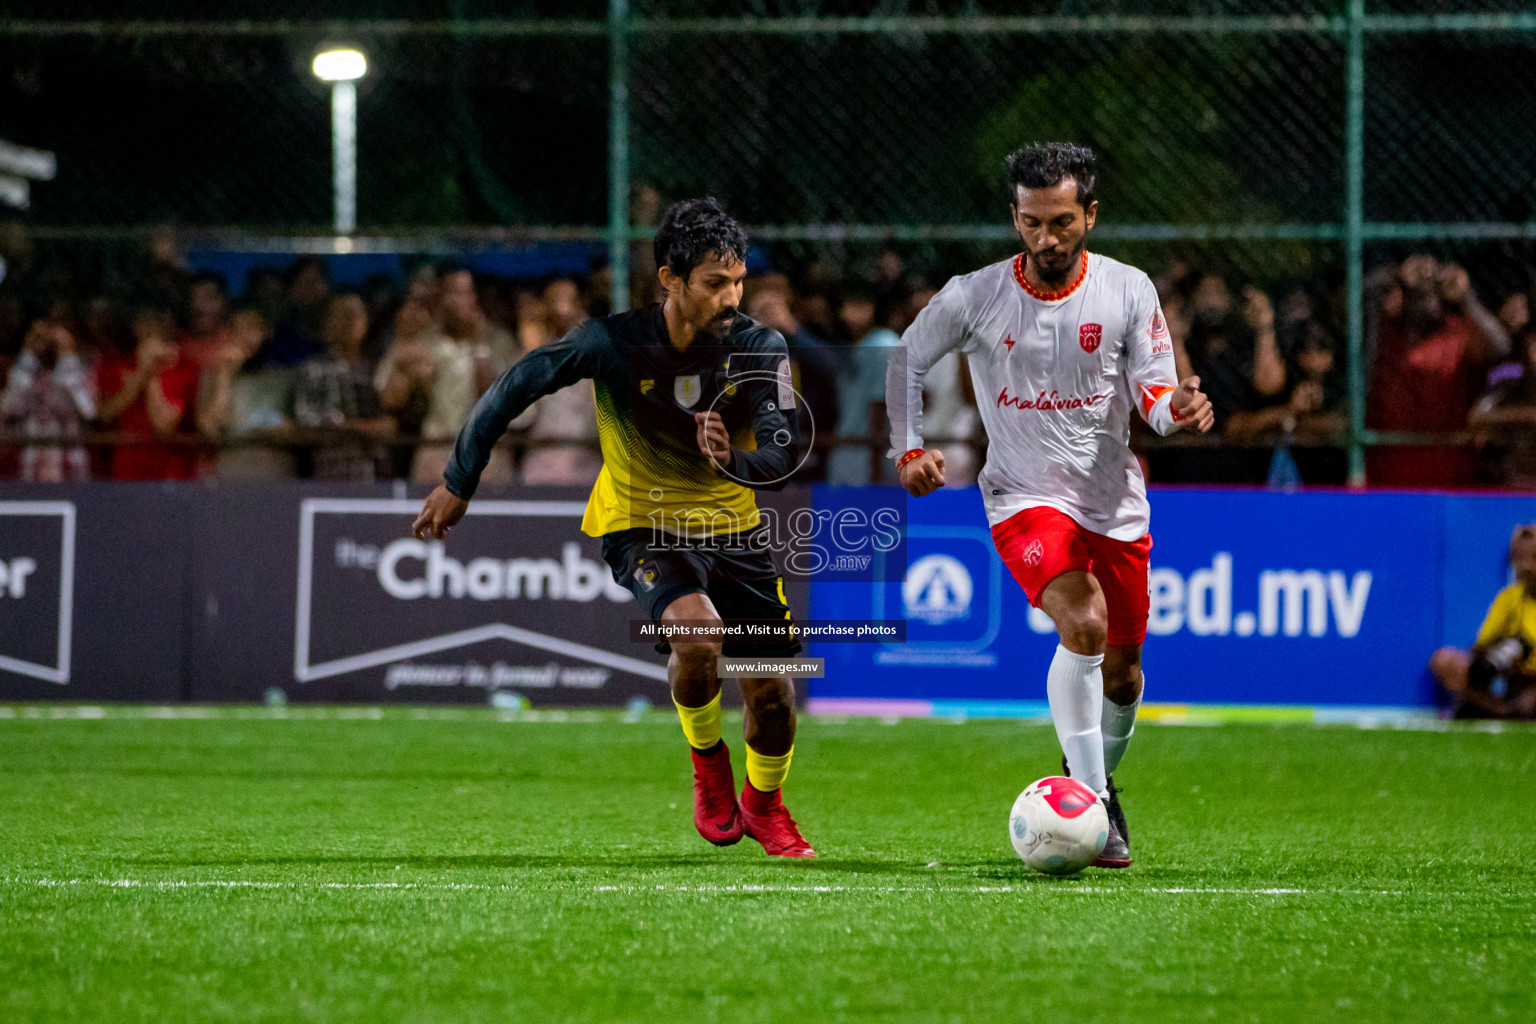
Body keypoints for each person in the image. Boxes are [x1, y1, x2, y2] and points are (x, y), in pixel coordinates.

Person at [412, 198, 815, 858]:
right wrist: (460, 481)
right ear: (670, 279)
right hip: (641, 523)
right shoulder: (613, 343)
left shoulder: (758, 346)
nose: (732, 297)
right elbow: (517, 384)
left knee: (771, 694)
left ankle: (766, 806)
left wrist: (734, 457)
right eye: (716, 283)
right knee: (698, 637)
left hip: (734, 533)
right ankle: (709, 765)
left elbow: (781, 445)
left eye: (738, 281)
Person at [887, 143, 1214, 868]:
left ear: (1090, 215)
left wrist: (1178, 412)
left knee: (1124, 674)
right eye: (1032, 223)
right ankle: (1095, 805)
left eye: (1062, 221)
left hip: (1114, 501)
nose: (1047, 238)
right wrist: (908, 448)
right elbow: (907, 356)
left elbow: (1155, 396)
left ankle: (1091, 779)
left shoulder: (1128, 290)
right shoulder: (975, 294)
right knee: (1084, 621)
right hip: (1023, 496)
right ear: (1015, 217)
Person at [1366, 255, 1509, 486]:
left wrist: (1466, 298)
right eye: (1419, 294)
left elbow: (1500, 346)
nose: (1427, 300)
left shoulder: (1458, 336)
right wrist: (1398, 275)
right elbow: (1367, 294)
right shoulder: (1387, 336)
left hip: (1451, 478)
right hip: (1388, 479)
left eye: (1434, 292)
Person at [375, 262, 519, 485]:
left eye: (466, 293)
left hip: (487, 458)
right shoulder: (423, 342)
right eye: (452, 293)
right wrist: (406, 366)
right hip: (434, 453)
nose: (459, 301)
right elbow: (390, 400)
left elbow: (497, 404)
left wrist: (480, 344)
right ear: (440, 298)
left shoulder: (500, 342)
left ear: (476, 298)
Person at [1430, 525, 1536, 719]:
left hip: (1531, 686)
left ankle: (1490, 711)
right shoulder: (1509, 598)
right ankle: (1494, 708)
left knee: (1528, 704)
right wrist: (1501, 649)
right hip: (1511, 680)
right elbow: (1480, 647)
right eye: (1519, 559)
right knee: (1444, 660)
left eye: (1532, 558)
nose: (1526, 566)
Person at [292, 292, 393, 481]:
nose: (350, 321)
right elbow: (306, 420)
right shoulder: (312, 369)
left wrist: (380, 426)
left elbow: (390, 421)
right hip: (332, 469)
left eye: (356, 314)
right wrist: (355, 427)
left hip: (375, 470)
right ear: (328, 323)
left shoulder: (377, 367)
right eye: (342, 315)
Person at [98, 307, 202, 480]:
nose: (148, 328)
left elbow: (163, 425)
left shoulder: (185, 368)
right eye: (143, 321)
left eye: (156, 322)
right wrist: (141, 372)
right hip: (125, 476)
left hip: (169, 478)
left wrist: (150, 373)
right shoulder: (116, 362)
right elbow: (104, 414)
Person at [196, 304, 296, 480]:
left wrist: (287, 428)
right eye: (238, 329)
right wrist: (224, 377)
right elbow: (212, 428)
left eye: (252, 328)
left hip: (275, 476)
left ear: (267, 332)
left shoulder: (284, 377)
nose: (245, 337)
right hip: (232, 477)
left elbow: (302, 427)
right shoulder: (213, 375)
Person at [0, 316, 97, 482]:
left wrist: (67, 359)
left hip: (68, 458)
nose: (48, 347)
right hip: (32, 458)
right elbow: (8, 408)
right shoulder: (25, 372)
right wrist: (28, 359)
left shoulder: (76, 371)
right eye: (39, 340)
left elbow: (89, 411)